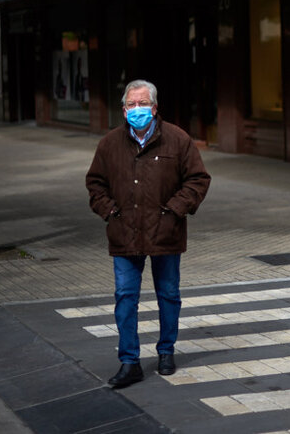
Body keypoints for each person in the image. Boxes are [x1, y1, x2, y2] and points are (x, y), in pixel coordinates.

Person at [86, 79, 211, 388]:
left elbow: (197, 180)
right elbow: (95, 183)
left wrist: (174, 211)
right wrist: (110, 211)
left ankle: (166, 352)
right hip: (124, 233)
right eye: (131, 105)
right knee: (125, 298)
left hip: (165, 233)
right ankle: (129, 362)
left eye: (143, 104)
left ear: (155, 108)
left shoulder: (178, 140)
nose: (137, 110)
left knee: (168, 295)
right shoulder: (110, 144)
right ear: (124, 109)